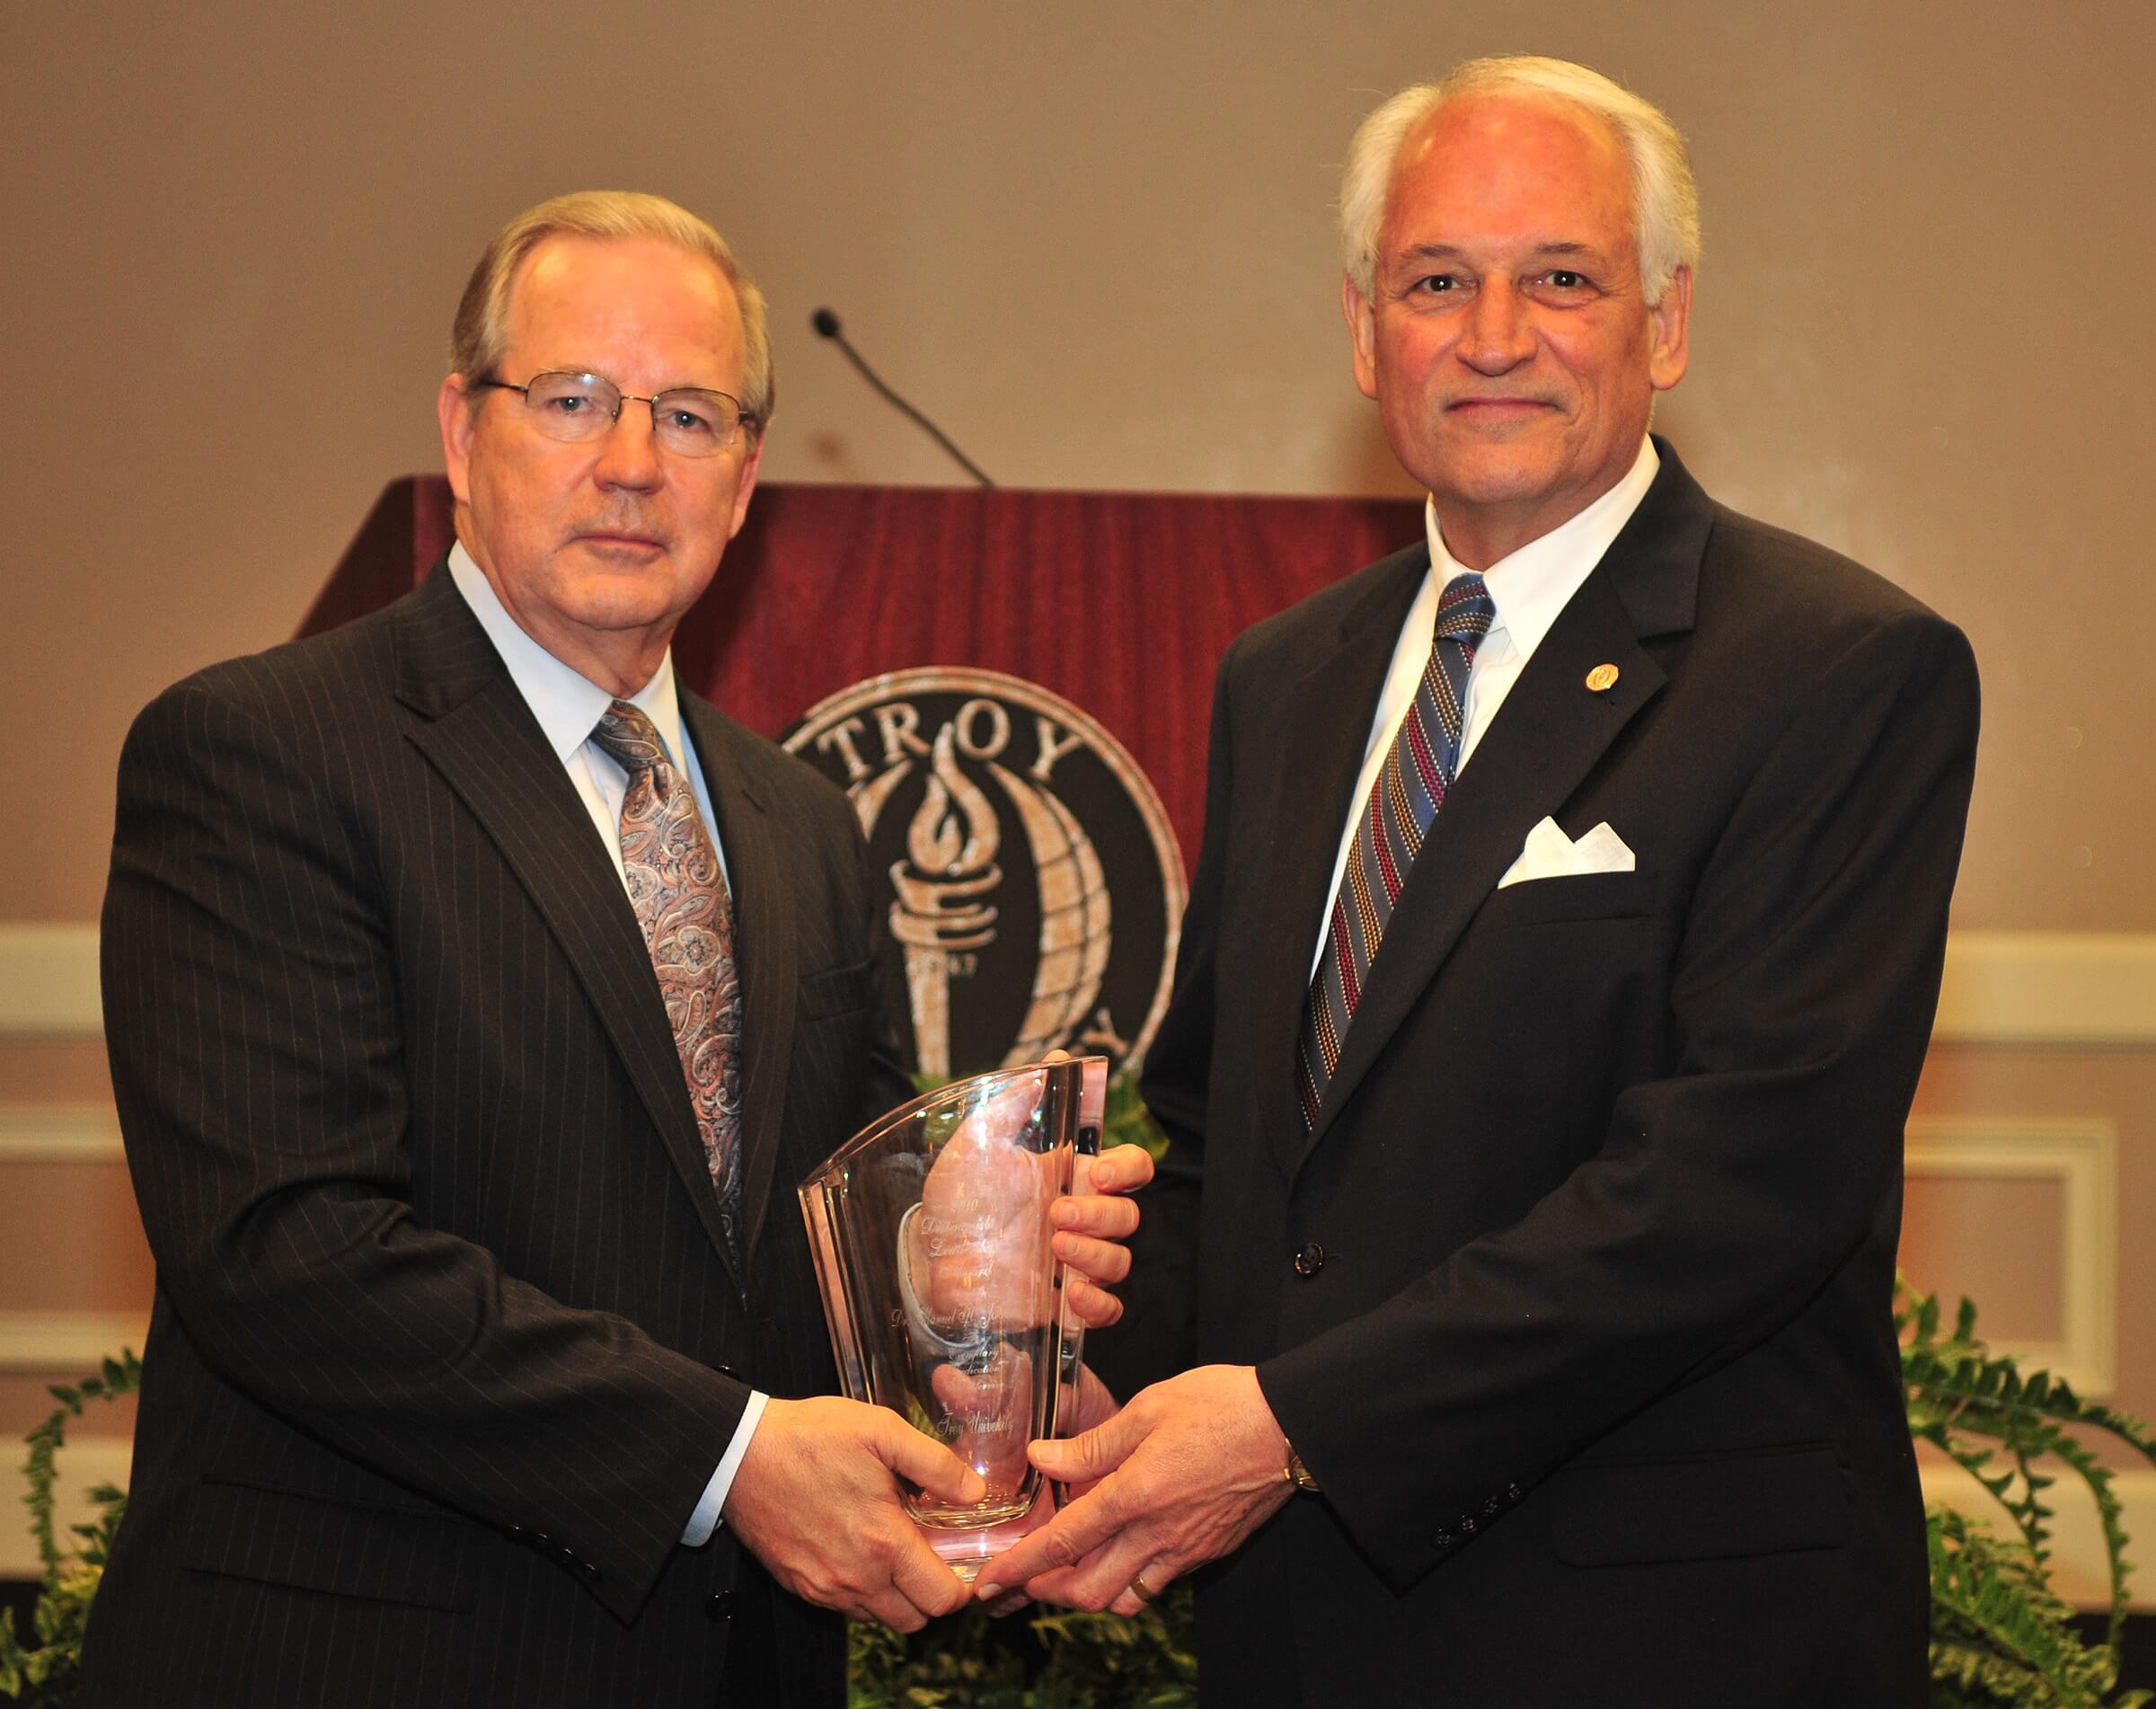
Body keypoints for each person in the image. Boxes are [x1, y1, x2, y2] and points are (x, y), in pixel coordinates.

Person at [984, 56, 1979, 1706]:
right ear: (1367, 330)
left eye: (1561, 278)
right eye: (1439, 280)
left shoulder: (1840, 670)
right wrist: (1091, 1353)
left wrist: (1295, 1426)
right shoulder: (1285, 676)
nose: (1495, 334)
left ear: (1664, 325)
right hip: (1301, 1634)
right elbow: (1239, 1146)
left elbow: (1736, 1190)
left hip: (1657, 1644)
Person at [82, 190, 1147, 1707]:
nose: (634, 462)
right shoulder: (263, 752)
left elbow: (786, 1246)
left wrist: (949, 1275)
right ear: (463, 431)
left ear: (749, 472)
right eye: (574, 398)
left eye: (692, 415)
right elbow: (291, 1256)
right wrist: (728, 1461)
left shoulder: (797, 819)